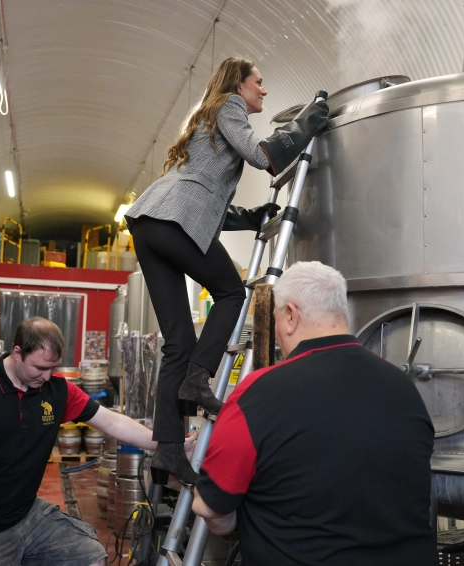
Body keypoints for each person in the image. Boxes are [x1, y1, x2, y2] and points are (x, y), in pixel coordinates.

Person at [125, 55, 328, 483]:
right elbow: (261, 156)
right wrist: (307, 121)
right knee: (233, 293)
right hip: (173, 220)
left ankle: (167, 450)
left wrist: (251, 217)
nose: (264, 90)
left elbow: (203, 194)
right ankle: (198, 380)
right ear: (239, 85)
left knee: (178, 342)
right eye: (258, 82)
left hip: (149, 223)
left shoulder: (208, 116)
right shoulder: (228, 106)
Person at [192, 261, 436, 565]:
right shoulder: (404, 388)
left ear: (290, 315)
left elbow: (210, 508)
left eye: (276, 319)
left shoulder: (258, 393)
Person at [0, 317, 195, 566]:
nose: (46, 376)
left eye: (53, 368)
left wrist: (171, 445)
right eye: (40, 367)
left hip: (26, 514)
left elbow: (113, 422)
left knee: (91, 558)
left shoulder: (57, 390)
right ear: (17, 353)